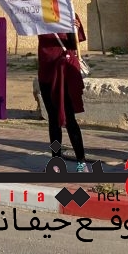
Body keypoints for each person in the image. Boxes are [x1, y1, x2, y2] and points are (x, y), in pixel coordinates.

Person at [37, 14, 88, 172]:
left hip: (65, 74)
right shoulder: (38, 14)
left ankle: (81, 161)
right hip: (46, 73)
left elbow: (74, 44)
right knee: (53, 120)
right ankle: (56, 160)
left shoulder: (68, 12)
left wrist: (74, 29)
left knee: (70, 119)